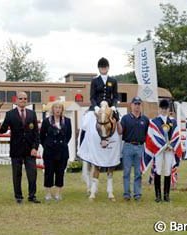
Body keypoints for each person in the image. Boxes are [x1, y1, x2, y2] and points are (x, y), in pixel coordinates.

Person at [78, 57, 121, 201]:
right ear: (99, 68)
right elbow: (92, 97)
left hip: (109, 108)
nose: (103, 69)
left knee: (119, 125)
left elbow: (115, 96)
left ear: (108, 68)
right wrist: (96, 107)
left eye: (105, 67)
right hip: (96, 108)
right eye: (102, 67)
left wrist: (114, 106)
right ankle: (84, 149)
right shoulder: (94, 81)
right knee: (86, 124)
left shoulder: (113, 80)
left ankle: (118, 149)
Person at [0, 92, 40, 204]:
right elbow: (3, 129)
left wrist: (35, 147)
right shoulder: (10, 114)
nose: (23, 100)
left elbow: (36, 133)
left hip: (30, 150)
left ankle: (32, 196)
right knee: (17, 174)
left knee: (32, 174)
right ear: (16, 100)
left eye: (25, 99)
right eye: (21, 98)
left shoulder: (32, 114)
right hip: (16, 149)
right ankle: (18, 196)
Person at [145, 99, 182, 203]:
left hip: (169, 150)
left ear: (168, 109)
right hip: (159, 150)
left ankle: (166, 195)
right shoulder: (154, 122)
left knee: (167, 171)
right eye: (162, 108)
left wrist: (171, 145)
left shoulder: (173, 122)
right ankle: (158, 195)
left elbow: (176, 136)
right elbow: (151, 136)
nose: (164, 110)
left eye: (166, 108)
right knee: (158, 170)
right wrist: (161, 146)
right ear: (159, 109)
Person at [117, 96, 149, 201]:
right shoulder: (125, 118)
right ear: (131, 105)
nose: (137, 106)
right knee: (126, 171)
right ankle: (126, 193)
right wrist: (117, 122)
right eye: (135, 104)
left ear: (141, 106)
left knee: (138, 172)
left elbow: (148, 135)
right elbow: (120, 132)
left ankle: (137, 194)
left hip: (140, 147)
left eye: (139, 104)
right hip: (128, 146)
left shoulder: (145, 119)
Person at [40, 101, 72, 201]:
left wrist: (62, 144)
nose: (58, 109)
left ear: (62, 110)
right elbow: (41, 136)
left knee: (60, 172)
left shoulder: (67, 121)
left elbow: (69, 135)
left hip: (62, 151)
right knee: (49, 172)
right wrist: (47, 145)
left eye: (59, 108)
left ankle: (58, 193)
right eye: (56, 108)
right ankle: (48, 193)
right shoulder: (46, 121)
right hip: (49, 151)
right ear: (52, 109)